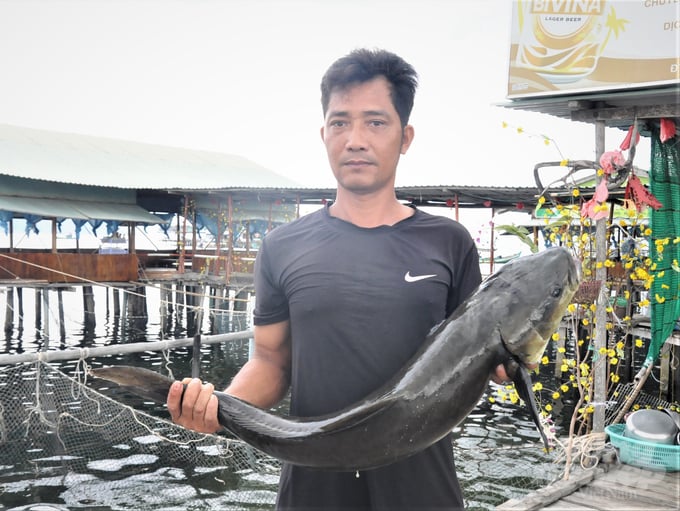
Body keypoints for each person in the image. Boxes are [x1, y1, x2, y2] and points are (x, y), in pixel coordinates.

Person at [167, 48, 510, 510]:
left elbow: (477, 358)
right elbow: (271, 362)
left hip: (423, 486)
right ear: (323, 133)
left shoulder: (449, 242)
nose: (355, 139)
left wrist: (510, 366)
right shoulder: (282, 245)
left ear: (405, 137)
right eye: (340, 122)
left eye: (376, 122)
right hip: (314, 486)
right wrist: (219, 406)